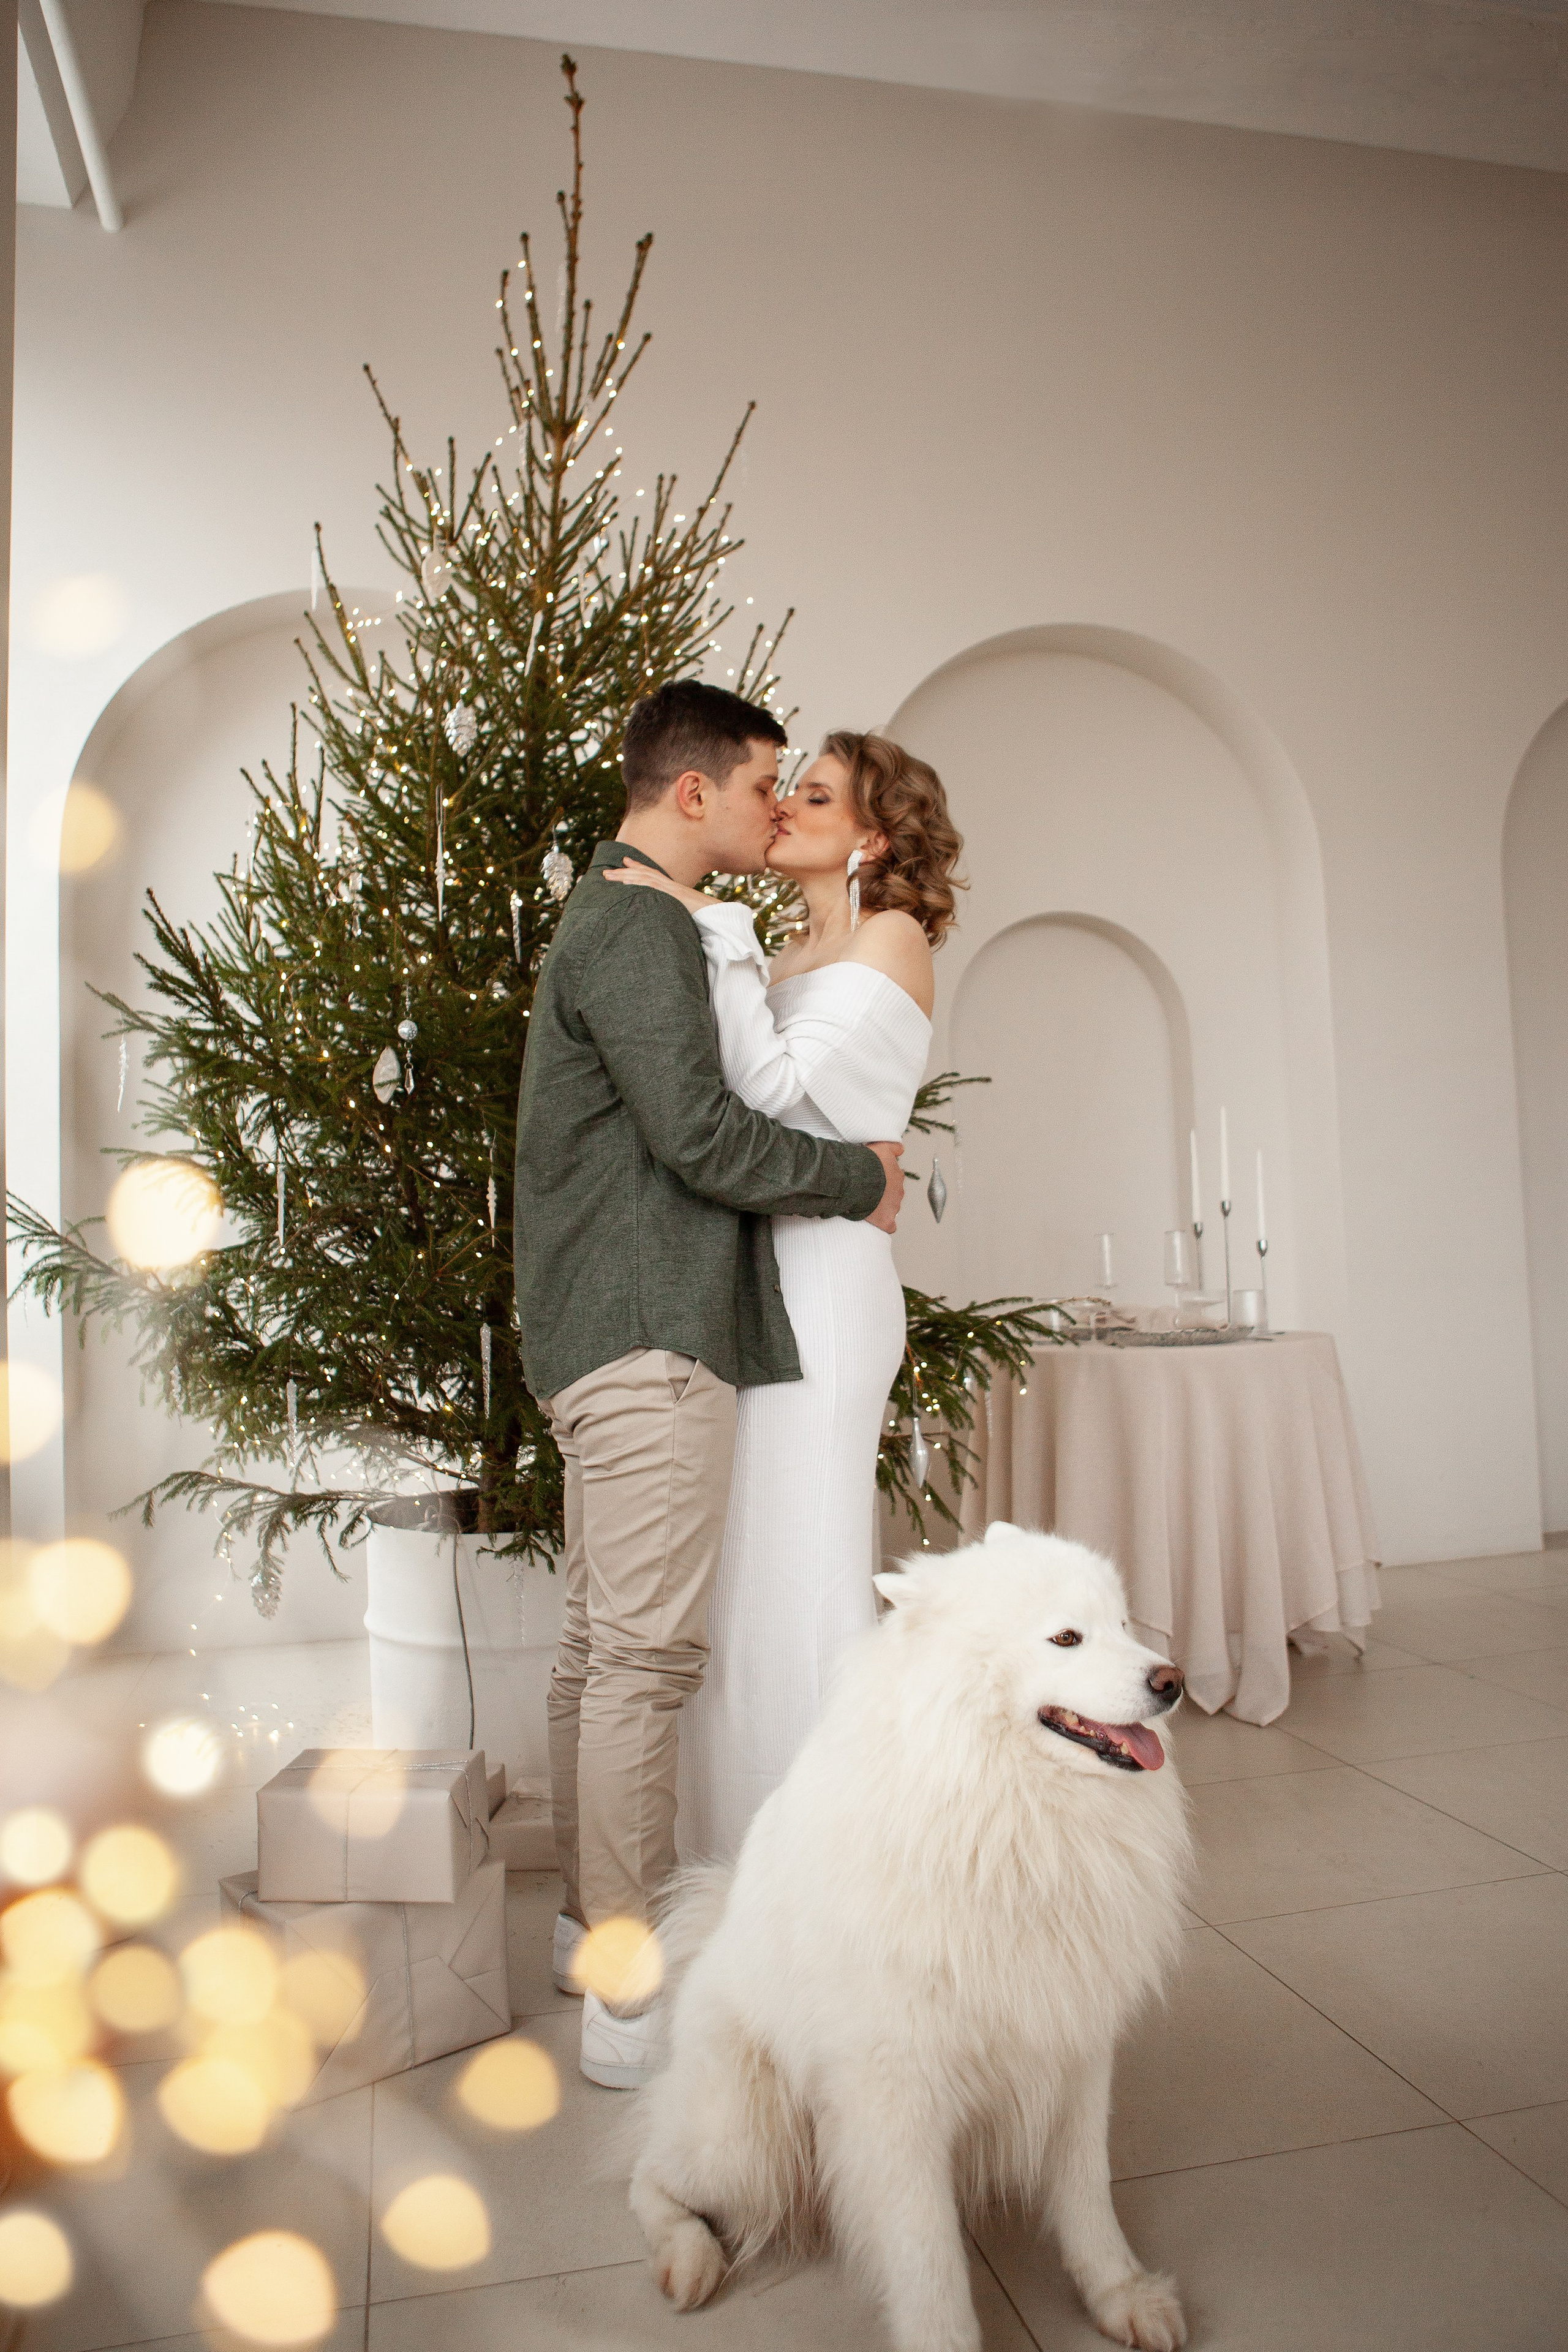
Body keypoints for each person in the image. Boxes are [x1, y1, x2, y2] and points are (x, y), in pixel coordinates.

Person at [513, 681, 907, 2090]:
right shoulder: (635, 924)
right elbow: (698, 1137)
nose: (769, 806)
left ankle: (581, 1929)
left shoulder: (625, 916)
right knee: (639, 1661)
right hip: (643, 1334)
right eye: (756, 786)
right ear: (693, 794)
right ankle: (626, 2004)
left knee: (595, 1654)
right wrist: (855, 1178)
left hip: (609, 1327)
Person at [606, 730, 962, 1862]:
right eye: (787, 789)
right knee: (743, 1581)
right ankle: (730, 1862)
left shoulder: (891, 936)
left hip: (829, 1278)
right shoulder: (783, 952)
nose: (788, 808)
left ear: (875, 835)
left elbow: (764, 1093)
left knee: (804, 1573)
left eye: (817, 796)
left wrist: (700, 918)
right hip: (758, 1271)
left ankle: (831, 1864)